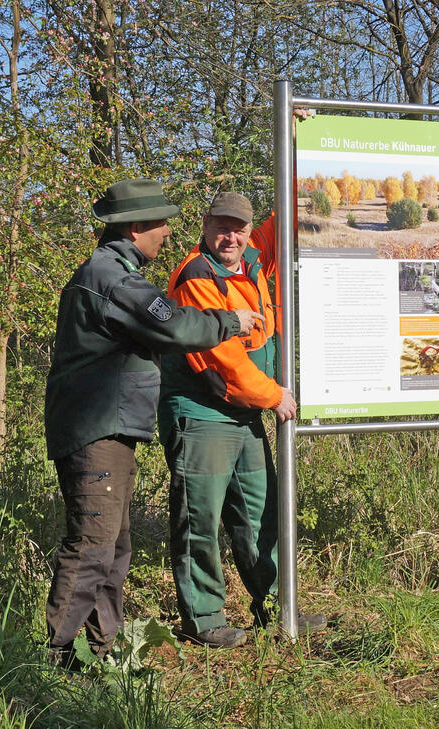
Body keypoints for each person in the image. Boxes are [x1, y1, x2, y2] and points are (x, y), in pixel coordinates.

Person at [44, 178, 262, 667]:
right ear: (137, 227)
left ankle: (96, 653)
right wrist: (232, 321)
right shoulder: (114, 279)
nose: (167, 232)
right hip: (96, 430)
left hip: (105, 428)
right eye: (161, 223)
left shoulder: (108, 272)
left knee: (114, 546)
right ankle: (58, 663)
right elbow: (174, 324)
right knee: (93, 546)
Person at [159, 191, 326, 649]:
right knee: (200, 517)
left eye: (240, 228)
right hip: (202, 411)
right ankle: (204, 618)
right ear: (205, 224)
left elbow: (287, 215)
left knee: (260, 510)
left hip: (245, 413)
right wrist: (274, 396)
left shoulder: (254, 257)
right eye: (221, 226)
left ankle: (273, 606)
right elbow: (225, 361)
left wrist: (297, 133)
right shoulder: (196, 275)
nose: (230, 236)